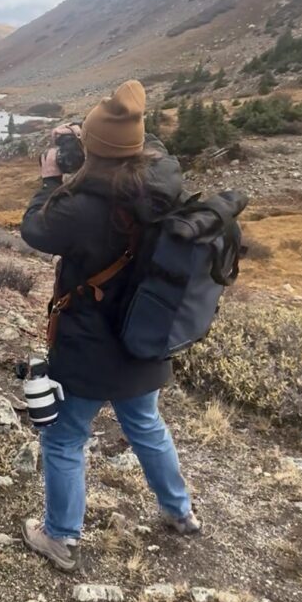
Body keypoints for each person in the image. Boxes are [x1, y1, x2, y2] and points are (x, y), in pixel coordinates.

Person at [19, 80, 199, 572]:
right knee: (145, 423)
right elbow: (144, 145)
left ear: (95, 150)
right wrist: (101, 135)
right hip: (145, 337)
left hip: (89, 346)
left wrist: (51, 177)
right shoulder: (162, 181)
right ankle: (179, 512)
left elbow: (34, 228)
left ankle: (60, 537)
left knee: (64, 437)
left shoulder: (81, 207)